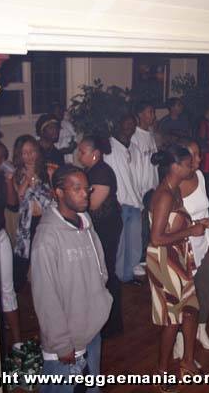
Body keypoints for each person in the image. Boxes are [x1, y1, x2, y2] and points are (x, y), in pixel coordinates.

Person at [31, 165, 112, 393]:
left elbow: (100, 266)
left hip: (91, 327)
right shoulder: (47, 239)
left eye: (87, 188)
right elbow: (45, 296)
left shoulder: (85, 223)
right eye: (76, 189)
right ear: (59, 192)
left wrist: (100, 299)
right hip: (67, 340)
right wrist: (61, 343)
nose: (85, 194)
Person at [147, 145, 209, 388]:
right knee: (172, 319)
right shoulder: (164, 195)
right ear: (174, 167)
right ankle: (162, 372)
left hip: (178, 255)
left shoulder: (175, 189)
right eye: (187, 164)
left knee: (191, 309)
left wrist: (197, 223)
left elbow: (174, 223)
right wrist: (191, 231)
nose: (192, 166)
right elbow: (156, 238)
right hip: (164, 259)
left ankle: (187, 362)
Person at [172, 139, 209, 362]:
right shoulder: (173, 185)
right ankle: (181, 343)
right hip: (182, 247)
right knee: (186, 298)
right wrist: (195, 226)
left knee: (207, 287)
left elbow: (206, 213)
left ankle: (201, 331)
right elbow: (171, 223)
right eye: (194, 155)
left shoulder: (200, 176)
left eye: (199, 154)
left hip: (201, 244)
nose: (199, 159)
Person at [78, 136, 124, 337]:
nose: (79, 156)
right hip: (102, 227)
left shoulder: (102, 172)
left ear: (95, 153)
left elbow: (93, 204)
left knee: (107, 272)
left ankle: (112, 323)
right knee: (101, 272)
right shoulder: (92, 171)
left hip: (107, 227)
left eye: (82, 152)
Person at [104, 114, 144, 284]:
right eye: (126, 123)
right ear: (119, 124)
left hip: (135, 202)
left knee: (134, 242)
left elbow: (139, 176)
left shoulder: (135, 149)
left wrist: (140, 198)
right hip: (119, 203)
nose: (129, 127)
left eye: (132, 124)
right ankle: (118, 276)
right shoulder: (109, 147)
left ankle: (128, 275)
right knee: (120, 244)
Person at [11, 135, 52, 292]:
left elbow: (52, 196)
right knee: (22, 258)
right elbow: (19, 196)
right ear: (19, 155)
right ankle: (16, 291)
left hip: (45, 220)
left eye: (32, 151)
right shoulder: (17, 173)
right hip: (27, 222)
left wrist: (38, 180)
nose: (29, 156)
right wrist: (28, 179)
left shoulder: (46, 170)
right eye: (25, 152)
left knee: (44, 256)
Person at [0, 140, 22, 351]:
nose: (3, 161)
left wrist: (9, 180)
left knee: (7, 289)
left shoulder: (1, 179)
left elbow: (12, 205)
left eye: (5, 157)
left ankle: (17, 341)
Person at [131, 101, 160, 276]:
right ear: (140, 114)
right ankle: (139, 258)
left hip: (152, 186)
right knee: (141, 225)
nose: (153, 116)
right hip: (141, 189)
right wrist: (138, 189)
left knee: (150, 223)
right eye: (150, 112)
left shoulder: (150, 135)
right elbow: (135, 166)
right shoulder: (134, 136)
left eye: (153, 112)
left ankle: (149, 253)